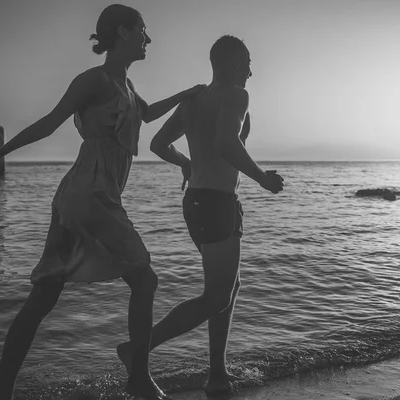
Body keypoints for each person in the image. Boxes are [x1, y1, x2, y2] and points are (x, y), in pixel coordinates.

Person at [0, 4, 204, 400]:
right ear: (124, 32)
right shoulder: (93, 80)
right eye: (143, 30)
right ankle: (139, 379)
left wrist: (187, 99)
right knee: (145, 279)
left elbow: (145, 115)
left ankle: (0, 391)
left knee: (44, 296)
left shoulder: (126, 87)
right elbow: (49, 121)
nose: (148, 38)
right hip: (89, 194)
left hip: (86, 197)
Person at [117, 35, 284, 395]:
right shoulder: (237, 95)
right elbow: (226, 143)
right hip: (216, 203)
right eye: (248, 63)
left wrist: (186, 163)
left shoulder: (194, 100)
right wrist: (263, 180)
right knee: (217, 296)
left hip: (197, 202)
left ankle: (218, 376)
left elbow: (158, 144)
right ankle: (137, 350)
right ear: (235, 63)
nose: (252, 72)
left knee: (227, 289)